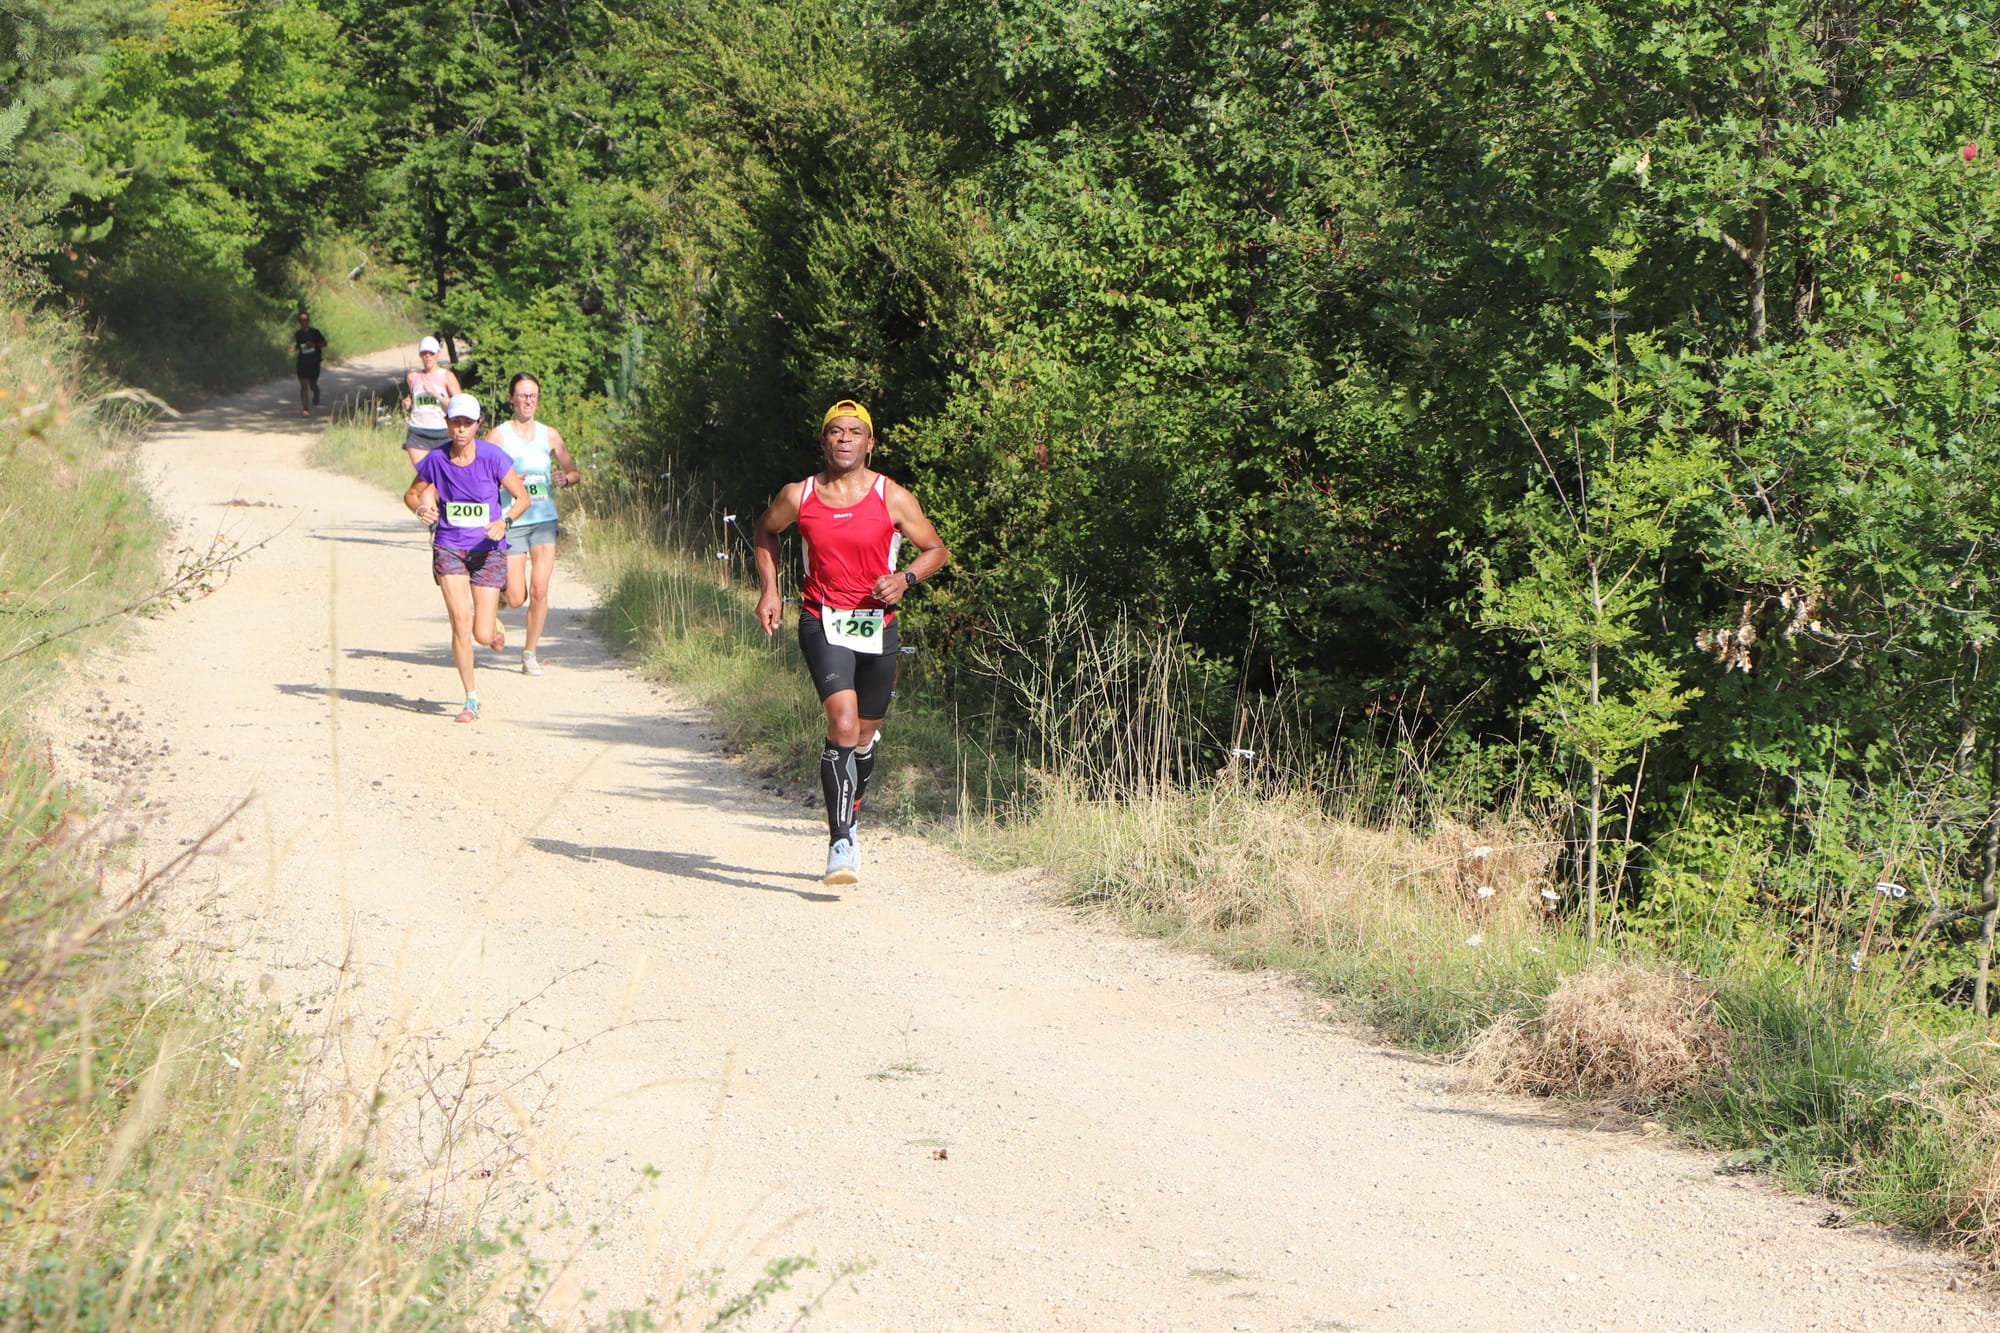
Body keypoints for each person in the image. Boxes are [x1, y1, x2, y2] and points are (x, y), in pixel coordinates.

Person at [753, 400, 949, 886]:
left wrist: (905, 578)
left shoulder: (892, 496)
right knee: (841, 723)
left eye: (854, 432)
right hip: (822, 619)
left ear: (870, 443)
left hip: (877, 625)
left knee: (864, 734)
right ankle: (841, 841)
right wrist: (771, 589)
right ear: (823, 441)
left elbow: (936, 549)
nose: (844, 439)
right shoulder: (799, 496)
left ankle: (851, 808)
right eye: (835, 432)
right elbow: (765, 530)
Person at [404, 393, 530, 723]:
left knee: (482, 635)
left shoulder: (493, 457)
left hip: (487, 551)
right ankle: (470, 699)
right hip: (449, 547)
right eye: (455, 423)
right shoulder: (436, 459)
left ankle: (491, 626)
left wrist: (505, 522)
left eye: (466, 424)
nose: (460, 430)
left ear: (478, 425)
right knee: (460, 621)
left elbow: (522, 497)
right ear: (447, 425)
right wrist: (421, 509)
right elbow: (412, 493)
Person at [493, 372, 580, 676]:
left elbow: (573, 470)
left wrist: (565, 478)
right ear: (512, 398)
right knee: (517, 598)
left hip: (544, 519)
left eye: (533, 395)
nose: (528, 401)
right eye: (522, 395)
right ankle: (499, 595)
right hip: (514, 520)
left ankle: (529, 653)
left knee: (540, 589)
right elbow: (483, 470)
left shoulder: (550, 435)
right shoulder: (499, 435)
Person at [401, 336, 462, 468]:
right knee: (424, 476)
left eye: (431, 353)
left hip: (442, 434)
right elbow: (414, 396)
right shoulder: (413, 377)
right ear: (420, 355)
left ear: (437, 355)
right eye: (424, 353)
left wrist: (437, 395)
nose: (427, 356)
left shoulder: (446, 376)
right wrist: (408, 402)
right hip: (417, 432)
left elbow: (460, 405)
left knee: (440, 478)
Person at [291, 312, 328, 417]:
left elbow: (324, 343)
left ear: (309, 321)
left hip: (314, 361)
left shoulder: (315, 332)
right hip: (302, 361)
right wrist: (292, 349)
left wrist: (314, 345)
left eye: (306, 320)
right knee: (303, 386)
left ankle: (316, 392)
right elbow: (298, 346)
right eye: (301, 320)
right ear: (299, 322)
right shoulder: (298, 334)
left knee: (312, 385)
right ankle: (305, 408)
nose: (304, 322)